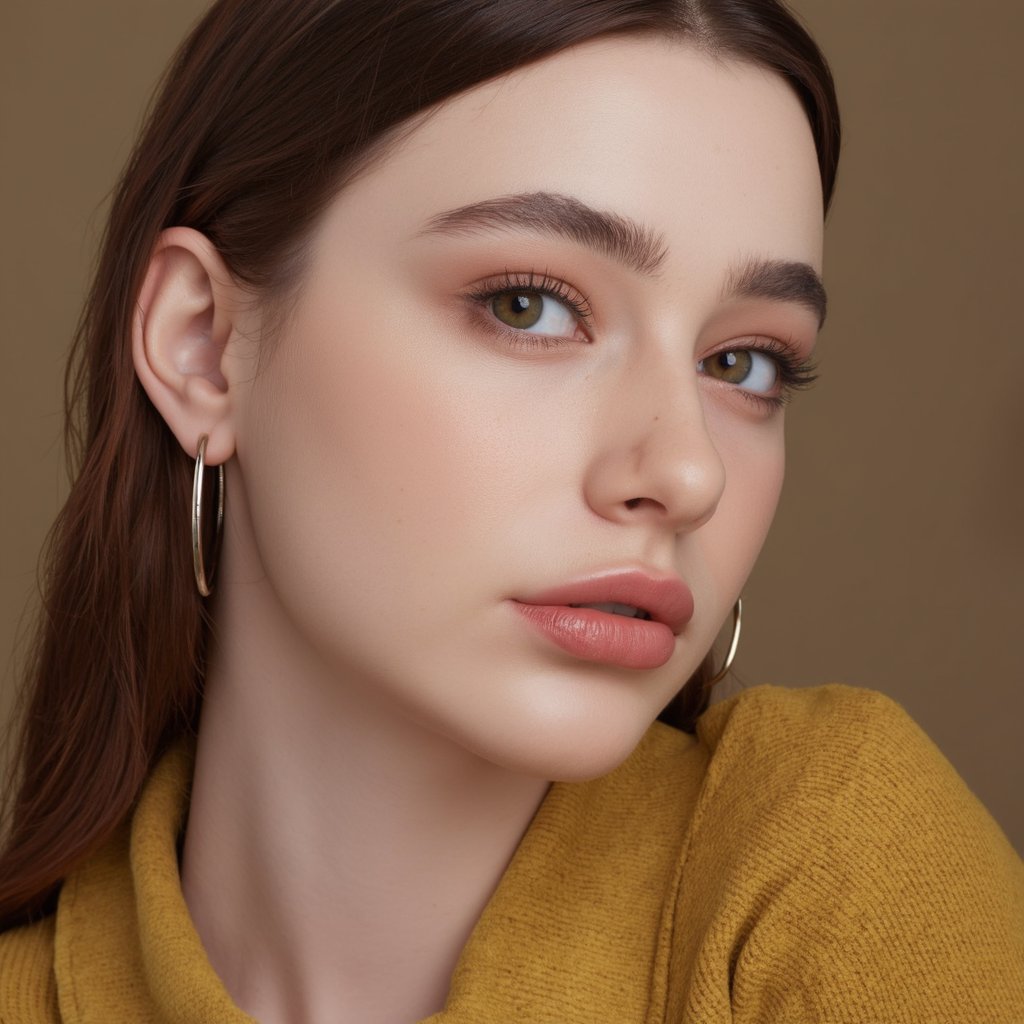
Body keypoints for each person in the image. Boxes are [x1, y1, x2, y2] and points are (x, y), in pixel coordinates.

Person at [1, 0, 1021, 1021]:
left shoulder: (833, 868)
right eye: (527, 304)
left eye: (741, 363)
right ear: (202, 346)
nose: (686, 469)